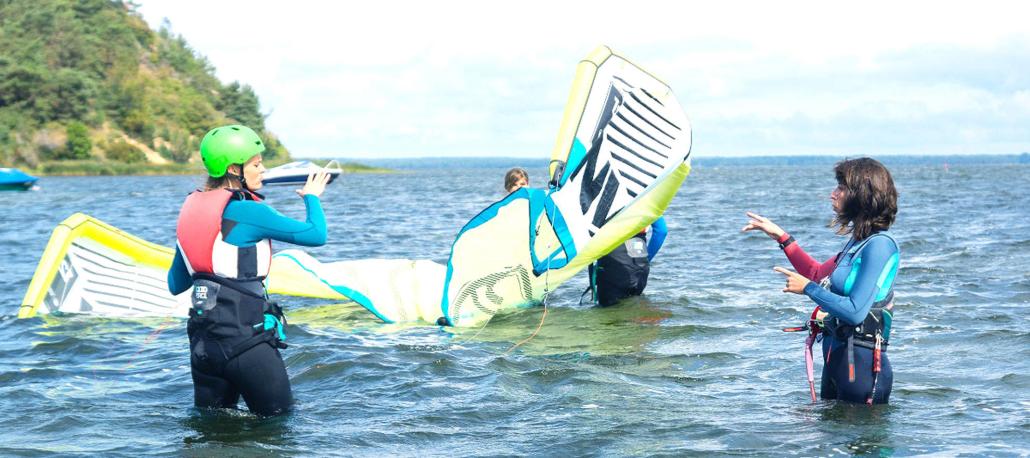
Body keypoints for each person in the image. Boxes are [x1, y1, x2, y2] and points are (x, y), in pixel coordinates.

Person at [167, 124, 331, 416]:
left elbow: (176, 283)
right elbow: (316, 234)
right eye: (256, 164)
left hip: (203, 348)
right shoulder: (251, 211)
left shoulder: (191, 210)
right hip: (246, 347)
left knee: (213, 432)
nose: (263, 169)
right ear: (233, 169)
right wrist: (311, 196)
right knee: (279, 430)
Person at [743, 157, 900, 404]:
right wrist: (782, 237)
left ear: (860, 195)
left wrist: (808, 289)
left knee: (862, 440)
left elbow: (856, 311)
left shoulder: (880, 246)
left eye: (840, 188)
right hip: (836, 361)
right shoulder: (857, 244)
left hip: (861, 369)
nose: (833, 194)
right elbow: (817, 273)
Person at [585, 216, 667, 307]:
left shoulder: (606, 203)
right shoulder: (644, 202)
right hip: (640, 266)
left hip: (613, 266)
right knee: (634, 312)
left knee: (609, 315)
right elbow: (661, 231)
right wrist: (646, 259)